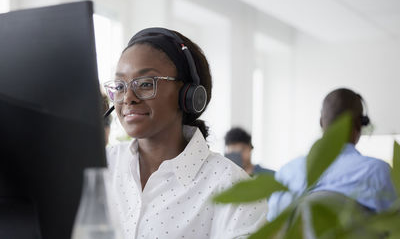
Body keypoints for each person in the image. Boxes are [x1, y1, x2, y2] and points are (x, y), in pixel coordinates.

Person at [104, 27, 267, 238]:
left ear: (188, 95)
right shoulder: (102, 166)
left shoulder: (233, 188)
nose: (128, 98)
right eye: (119, 86)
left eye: (145, 84)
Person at [267, 88, 397, 221]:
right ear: (359, 123)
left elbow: (273, 227)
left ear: (321, 122)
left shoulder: (287, 174)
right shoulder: (378, 172)